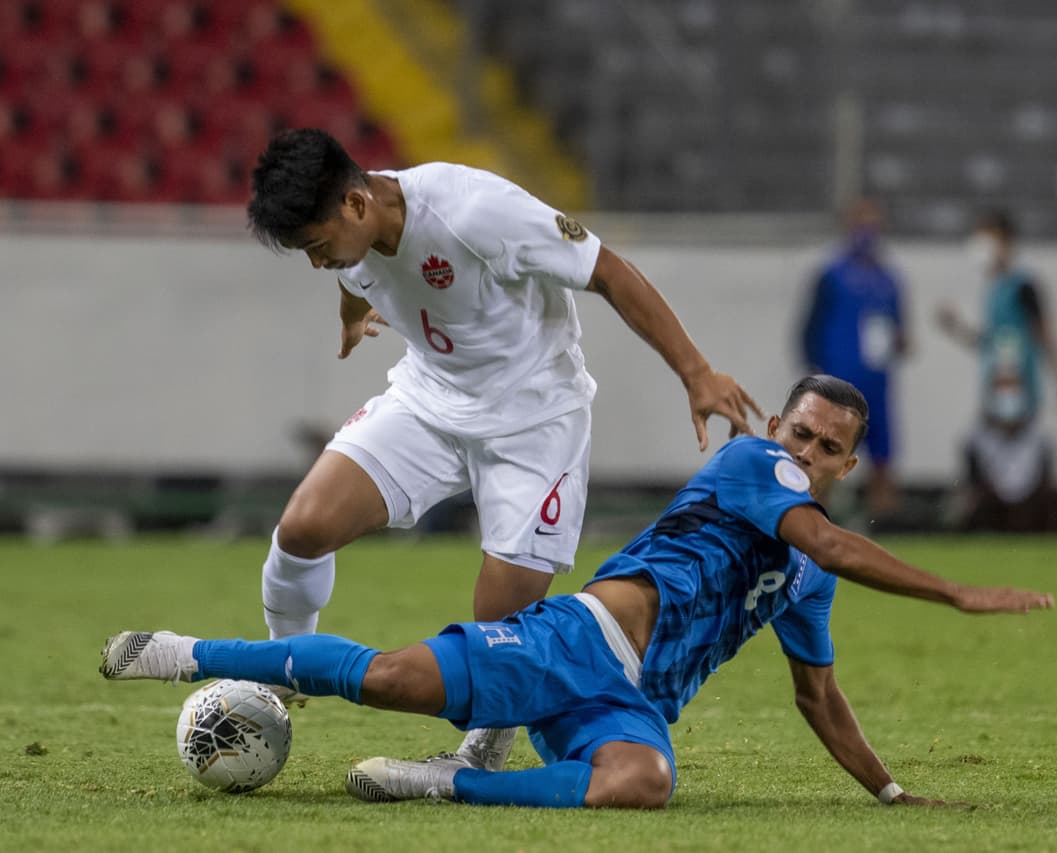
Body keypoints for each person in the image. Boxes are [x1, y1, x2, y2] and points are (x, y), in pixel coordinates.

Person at [101, 376, 1054, 810]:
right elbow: (833, 542)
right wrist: (956, 592)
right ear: (778, 426)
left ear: (851, 458)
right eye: (799, 431)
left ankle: (454, 780)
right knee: (389, 677)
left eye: (826, 445)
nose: (805, 451)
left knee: (645, 780)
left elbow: (819, 695)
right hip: (581, 640)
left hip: (626, 703)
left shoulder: (803, 576)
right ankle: (186, 653)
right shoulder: (751, 464)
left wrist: (888, 792)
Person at [242, 129, 762, 769]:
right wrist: (351, 313)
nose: (318, 263)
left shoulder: (474, 212)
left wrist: (695, 373)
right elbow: (354, 269)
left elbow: (608, 271)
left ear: (355, 204)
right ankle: (282, 673)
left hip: (533, 417)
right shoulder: (349, 231)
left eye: (316, 247)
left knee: (502, 616)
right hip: (430, 400)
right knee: (302, 528)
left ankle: (482, 751)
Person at [936, 210, 1057, 532]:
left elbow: (1045, 334)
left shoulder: (1023, 282)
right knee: (979, 453)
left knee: (1020, 461)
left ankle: (1035, 523)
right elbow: (991, 345)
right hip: (996, 390)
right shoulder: (996, 286)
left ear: (1005, 241)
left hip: (1018, 391)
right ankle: (991, 522)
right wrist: (957, 328)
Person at [799, 199, 908, 516]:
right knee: (826, 457)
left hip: (877, 384)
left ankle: (883, 532)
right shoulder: (831, 274)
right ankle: (815, 527)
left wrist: (899, 342)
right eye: (862, 224)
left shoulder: (889, 279)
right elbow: (810, 327)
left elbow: (900, 329)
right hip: (838, 384)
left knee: (883, 461)